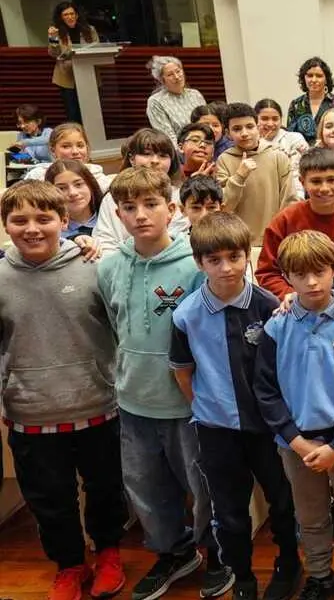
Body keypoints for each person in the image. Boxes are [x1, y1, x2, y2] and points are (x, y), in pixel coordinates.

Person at [97, 166, 228, 600]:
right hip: (133, 399)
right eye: (129, 207)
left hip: (188, 403)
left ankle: (217, 552)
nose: (140, 215)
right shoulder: (109, 268)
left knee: (203, 486)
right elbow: (114, 327)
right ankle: (174, 552)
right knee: (146, 487)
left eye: (151, 204)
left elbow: (209, 335)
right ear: (118, 214)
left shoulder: (195, 266)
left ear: (171, 210)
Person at [0, 181, 128, 600]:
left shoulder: (95, 267)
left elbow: (120, 330)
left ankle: (108, 553)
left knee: (105, 488)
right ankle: (70, 565)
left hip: (98, 404)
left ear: (64, 220)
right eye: (19, 220)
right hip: (30, 411)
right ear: (5, 225)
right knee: (49, 498)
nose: (31, 228)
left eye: (44, 218)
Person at [170, 212, 301, 600]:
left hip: (269, 428)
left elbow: (285, 365)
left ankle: (289, 564)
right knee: (228, 511)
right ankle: (242, 576)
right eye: (214, 260)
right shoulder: (185, 314)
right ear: (199, 263)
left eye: (234, 257)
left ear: (248, 255)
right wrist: (207, 409)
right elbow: (183, 373)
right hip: (217, 430)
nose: (226, 268)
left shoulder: (268, 306)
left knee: (282, 501)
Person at [253, 230, 334, 600]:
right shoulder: (277, 326)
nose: (312, 282)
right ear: (287, 276)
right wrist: (296, 441)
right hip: (297, 444)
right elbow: (265, 390)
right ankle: (320, 576)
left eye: (320, 272)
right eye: (300, 275)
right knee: (310, 516)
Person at [256, 148, 334, 300]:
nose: (324, 188)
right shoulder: (285, 220)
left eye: (331, 180)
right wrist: (291, 295)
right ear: (302, 182)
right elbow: (267, 272)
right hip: (299, 304)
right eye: (316, 181)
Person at [93, 128, 190, 258]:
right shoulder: (113, 197)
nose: (155, 160)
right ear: (132, 159)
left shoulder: (179, 196)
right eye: (147, 154)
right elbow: (105, 241)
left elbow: (178, 237)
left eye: (163, 155)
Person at [214, 102, 296, 243]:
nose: (244, 133)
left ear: (258, 127)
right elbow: (224, 206)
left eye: (250, 127)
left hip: (276, 238)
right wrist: (239, 176)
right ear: (227, 133)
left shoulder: (277, 155)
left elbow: (289, 199)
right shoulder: (224, 160)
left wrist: (282, 233)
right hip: (239, 241)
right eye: (237, 129)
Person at [47, 1, 99, 122]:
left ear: (77, 15)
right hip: (67, 78)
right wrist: (53, 38)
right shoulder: (56, 32)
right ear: (61, 17)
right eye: (66, 15)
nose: (70, 17)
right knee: (73, 113)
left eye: (72, 14)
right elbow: (54, 53)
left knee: (92, 112)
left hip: (88, 75)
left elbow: (97, 49)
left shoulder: (90, 30)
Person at [22, 122, 111, 188]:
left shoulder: (98, 177)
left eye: (80, 146)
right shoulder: (38, 176)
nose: (75, 151)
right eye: (66, 146)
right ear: (53, 151)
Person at [146, 56, 207, 146]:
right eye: (170, 75)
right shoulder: (156, 101)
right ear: (162, 79)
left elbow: (207, 124)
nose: (177, 77)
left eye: (178, 71)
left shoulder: (195, 94)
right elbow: (168, 138)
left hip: (206, 146)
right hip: (180, 150)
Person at [287, 57, 334, 144]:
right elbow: (290, 136)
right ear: (304, 78)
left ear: (326, 79)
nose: (314, 80)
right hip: (303, 152)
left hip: (331, 151)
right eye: (310, 76)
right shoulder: (296, 104)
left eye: (319, 76)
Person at [256, 98, 309, 194]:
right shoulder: (250, 143)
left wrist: (297, 198)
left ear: (281, 120)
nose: (270, 123)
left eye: (275, 119)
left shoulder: (294, 138)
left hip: (293, 192)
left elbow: (297, 173)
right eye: (264, 119)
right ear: (255, 120)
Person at [46, 159, 104, 238]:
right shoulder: (53, 232)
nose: (72, 193)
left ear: (90, 185)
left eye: (78, 184)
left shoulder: (111, 217)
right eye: (62, 188)